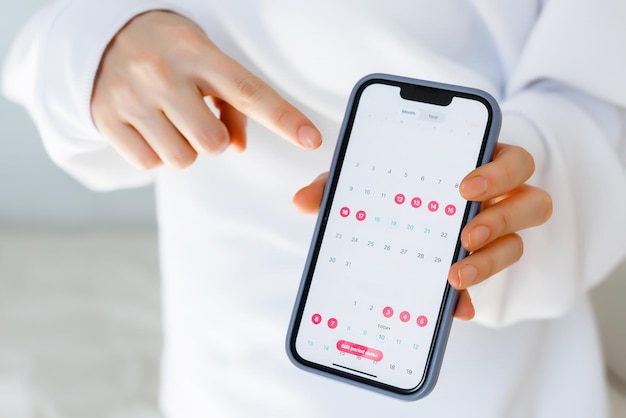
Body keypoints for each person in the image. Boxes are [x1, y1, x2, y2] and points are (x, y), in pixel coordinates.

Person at [3, 1, 625, 417]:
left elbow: (600, 99)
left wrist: (525, 168)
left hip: (498, 378)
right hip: (231, 373)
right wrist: (104, 47)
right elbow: (50, 37)